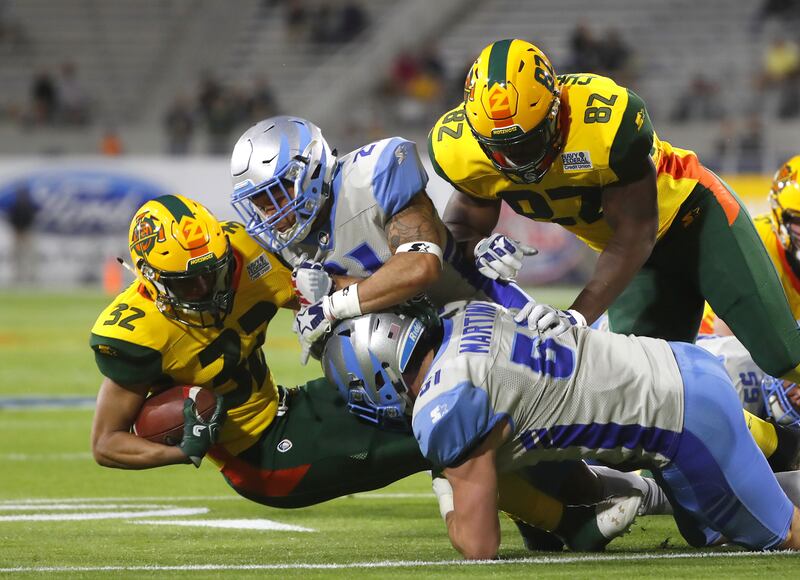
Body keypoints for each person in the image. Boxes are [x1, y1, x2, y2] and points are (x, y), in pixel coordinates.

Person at [229, 116, 659, 550]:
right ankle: (603, 506)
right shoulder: (285, 244)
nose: (272, 213)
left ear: (314, 169)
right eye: (261, 202)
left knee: (608, 423)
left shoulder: (374, 173)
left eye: (278, 194)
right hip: (422, 355)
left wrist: (333, 303)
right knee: (536, 487)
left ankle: (675, 477)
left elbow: (420, 264)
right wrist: (322, 309)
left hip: (482, 320)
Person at [428, 38, 800, 469]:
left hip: (693, 220)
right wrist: (480, 248)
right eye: (499, 146)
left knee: (782, 354)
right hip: (636, 257)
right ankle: (785, 448)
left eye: (527, 143)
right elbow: (463, 226)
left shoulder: (604, 120)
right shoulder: (460, 148)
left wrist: (578, 314)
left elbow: (637, 231)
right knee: (654, 404)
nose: (514, 159)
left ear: (554, 111)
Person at [322, 302, 800, 558]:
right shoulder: (463, 313)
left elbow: (479, 545)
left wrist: (444, 485)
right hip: (679, 363)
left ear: (380, 376)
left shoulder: (444, 408)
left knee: (782, 534)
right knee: (712, 533)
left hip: (683, 422)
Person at [90, 194, 431, 508]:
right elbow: (106, 442)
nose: (206, 288)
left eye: (213, 272)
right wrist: (181, 452)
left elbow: (324, 295)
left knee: (424, 389)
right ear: (151, 279)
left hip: (293, 406)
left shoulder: (243, 254)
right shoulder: (136, 333)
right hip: (263, 460)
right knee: (438, 431)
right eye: (187, 283)